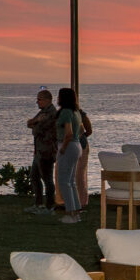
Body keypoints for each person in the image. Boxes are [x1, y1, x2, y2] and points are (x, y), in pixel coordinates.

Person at [52, 86, 92, 222]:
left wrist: (62, 148)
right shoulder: (76, 112)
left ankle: (70, 214)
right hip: (77, 146)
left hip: (68, 146)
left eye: (59, 96)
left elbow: (68, 133)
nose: (57, 99)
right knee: (71, 181)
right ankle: (76, 212)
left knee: (64, 181)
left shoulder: (66, 112)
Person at [25, 89, 60, 209]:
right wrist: (35, 121)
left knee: (47, 178)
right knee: (34, 176)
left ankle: (50, 204)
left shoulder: (51, 114)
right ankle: (38, 203)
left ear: (47, 100)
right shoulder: (42, 113)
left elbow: (36, 130)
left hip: (47, 151)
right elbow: (29, 123)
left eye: (39, 99)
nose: (37, 102)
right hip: (39, 151)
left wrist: (35, 125)